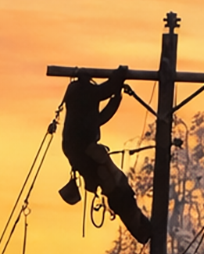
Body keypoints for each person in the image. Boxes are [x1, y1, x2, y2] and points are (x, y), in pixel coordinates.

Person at [59, 66, 153, 244]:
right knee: (117, 185)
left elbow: (100, 116)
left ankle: (141, 229)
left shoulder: (78, 97)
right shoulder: (82, 91)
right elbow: (105, 90)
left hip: (80, 151)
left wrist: (117, 94)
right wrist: (120, 75)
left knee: (116, 186)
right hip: (86, 151)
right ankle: (141, 228)